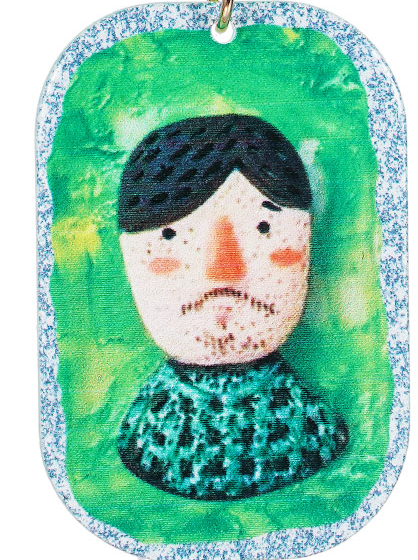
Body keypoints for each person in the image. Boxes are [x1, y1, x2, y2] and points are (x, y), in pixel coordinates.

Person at [114, 113, 347, 501]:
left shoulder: (313, 430)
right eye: (171, 235)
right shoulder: (145, 436)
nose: (224, 269)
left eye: (264, 228)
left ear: (305, 242)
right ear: (130, 259)